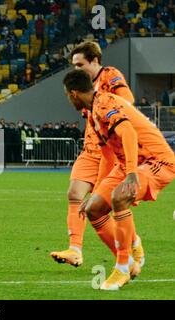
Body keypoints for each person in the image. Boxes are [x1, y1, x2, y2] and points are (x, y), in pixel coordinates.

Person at [63, 69, 174, 290]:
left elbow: (129, 134)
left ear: (74, 93)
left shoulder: (104, 103)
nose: (68, 100)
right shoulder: (93, 113)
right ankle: (132, 253)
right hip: (126, 165)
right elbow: (106, 156)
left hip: (156, 161)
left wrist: (132, 172)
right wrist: (96, 192)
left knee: (119, 197)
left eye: (67, 96)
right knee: (93, 208)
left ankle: (122, 267)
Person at [51, 41, 144, 271]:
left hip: (112, 151)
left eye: (80, 64)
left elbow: (128, 103)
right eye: (73, 66)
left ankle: (133, 245)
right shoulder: (82, 90)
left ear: (94, 61)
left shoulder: (110, 75)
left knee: (106, 205)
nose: (76, 70)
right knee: (74, 193)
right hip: (91, 149)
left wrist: (104, 103)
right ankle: (75, 250)